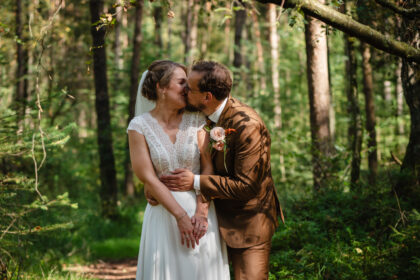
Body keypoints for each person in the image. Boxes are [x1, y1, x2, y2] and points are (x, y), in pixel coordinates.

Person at [159, 61, 284, 280]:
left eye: (189, 87)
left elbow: (246, 186)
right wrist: (155, 185)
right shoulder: (199, 113)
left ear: (206, 97)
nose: (184, 91)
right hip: (209, 223)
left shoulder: (247, 126)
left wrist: (194, 182)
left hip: (246, 222)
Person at [127, 60, 230, 280]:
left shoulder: (198, 120)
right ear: (161, 88)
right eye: (182, 82)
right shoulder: (139, 126)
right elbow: (148, 177)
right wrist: (180, 216)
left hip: (200, 216)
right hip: (164, 217)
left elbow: (208, 166)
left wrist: (201, 214)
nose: (188, 88)